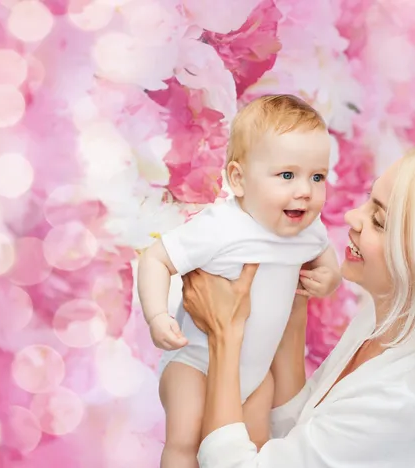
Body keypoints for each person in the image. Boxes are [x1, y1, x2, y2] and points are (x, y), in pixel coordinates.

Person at [180, 146, 415, 467]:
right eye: (369, 202)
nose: (352, 217)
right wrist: (295, 307)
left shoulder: (403, 401)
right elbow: (303, 430)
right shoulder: (395, 321)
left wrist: (224, 333)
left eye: (379, 221)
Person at [137, 95, 343, 468]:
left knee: (254, 449)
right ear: (238, 179)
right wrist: (156, 316)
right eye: (287, 175)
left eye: (318, 176)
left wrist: (327, 280)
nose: (305, 190)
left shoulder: (308, 230)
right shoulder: (222, 226)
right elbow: (157, 258)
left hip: (255, 375)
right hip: (195, 364)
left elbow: (328, 263)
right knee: (185, 443)